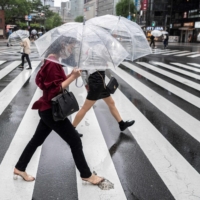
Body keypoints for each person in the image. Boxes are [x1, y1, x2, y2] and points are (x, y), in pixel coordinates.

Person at [14, 36, 104, 185]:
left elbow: (54, 83)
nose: (71, 50)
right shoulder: (51, 62)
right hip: (52, 111)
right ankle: (86, 175)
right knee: (75, 140)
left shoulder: (53, 60)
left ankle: (19, 167)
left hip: (47, 110)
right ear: (62, 45)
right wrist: (73, 77)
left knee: (36, 140)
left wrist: (70, 75)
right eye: (71, 47)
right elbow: (53, 91)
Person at [72, 51, 135, 134]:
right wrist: (86, 83)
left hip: (99, 79)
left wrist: (86, 82)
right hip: (96, 81)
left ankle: (121, 124)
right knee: (85, 108)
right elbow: (85, 67)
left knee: (111, 103)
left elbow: (87, 66)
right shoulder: (96, 48)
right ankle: (71, 130)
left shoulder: (92, 48)